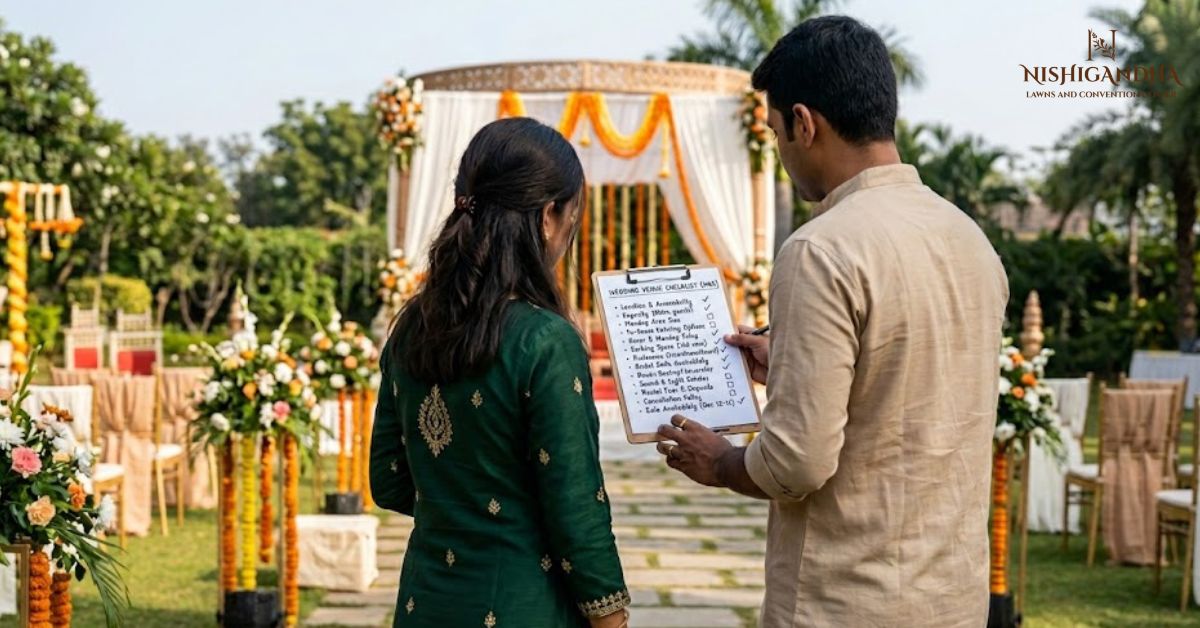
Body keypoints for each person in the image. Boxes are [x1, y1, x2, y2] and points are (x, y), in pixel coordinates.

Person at [655, 15, 1009, 627]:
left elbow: (797, 463)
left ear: (804, 122)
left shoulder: (821, 248)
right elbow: (906, 390)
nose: (783, 152)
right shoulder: (970, 240)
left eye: (776, 134)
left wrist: (719, 464)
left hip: (849, 599)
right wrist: (791, 365)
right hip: (953, 597)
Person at [370, 117, 630, 628]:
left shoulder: (410, 330)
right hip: (525, 604)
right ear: (550, 215)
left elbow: (389, 480)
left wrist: (458, 510)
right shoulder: (544, 341)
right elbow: (575, 506)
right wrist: (611, 617)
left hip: (428, 604)